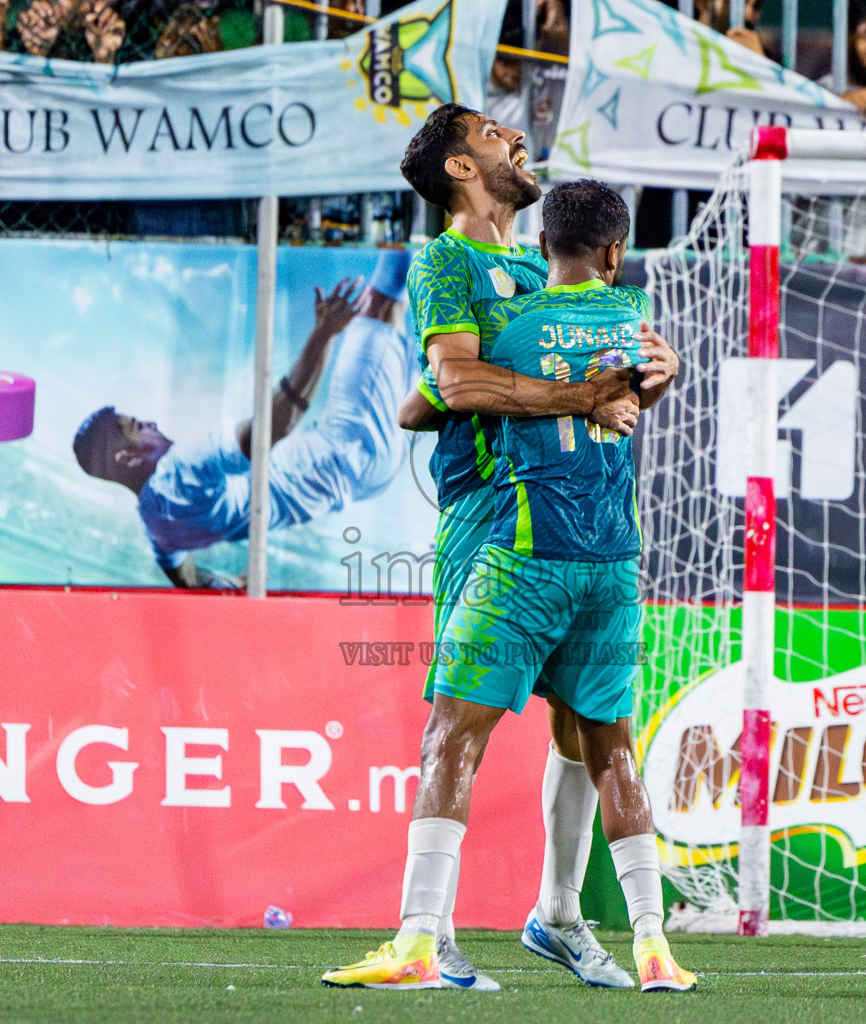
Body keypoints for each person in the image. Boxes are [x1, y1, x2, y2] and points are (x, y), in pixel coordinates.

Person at [322, 179, 692, 993]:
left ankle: (526, 919)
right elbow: (459, 392)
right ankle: (635, 940)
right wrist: (625, 384)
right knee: (602, 741)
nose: (514, 143)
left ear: (549, 245)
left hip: (522, 548)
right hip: (594, 553)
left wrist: (523, 382)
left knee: (463, 732)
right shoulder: (462, 269)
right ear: (615, 253)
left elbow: (429, 403)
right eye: (496, 136)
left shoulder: (518, 314)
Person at [72, 251, 415, 588]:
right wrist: (324, 332)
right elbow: (271, 429)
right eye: (138, 427)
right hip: (351, 445)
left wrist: (232, 585)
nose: (152, 423)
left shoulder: (157, 527)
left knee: (421, 342)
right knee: (383, 300)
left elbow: (187, 577)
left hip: (360, 476)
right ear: (127, 458)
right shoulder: (180, 470)